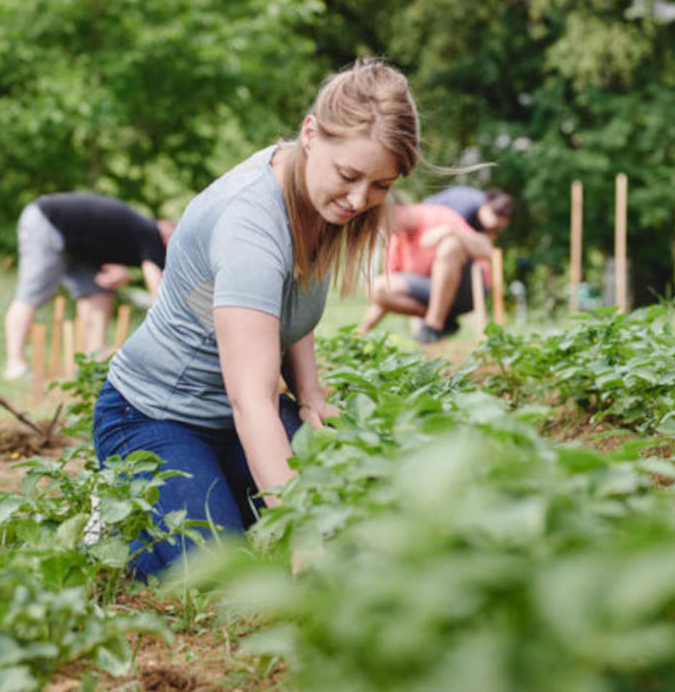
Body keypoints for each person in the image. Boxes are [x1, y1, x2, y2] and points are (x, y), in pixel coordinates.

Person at [93, 58, 420, 579]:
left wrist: (310, 393)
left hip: (233, 423)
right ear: (311, 133)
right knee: (215, 572)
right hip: (154, 415)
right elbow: (252, 399)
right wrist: (299, 530)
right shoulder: (249, 225)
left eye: (381, 186)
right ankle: (118, 514)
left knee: (359, 513)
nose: (361, 199)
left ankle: (220, 487)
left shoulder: (314, 193)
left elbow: (291, 308)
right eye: (350, 175)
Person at [2, 192, 173, 380]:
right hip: (46, 221)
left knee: (97, 292)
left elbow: (111, 256)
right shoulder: (152, 233)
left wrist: (123, 276)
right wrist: (168, 324)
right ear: (167, 234)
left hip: (78, 243)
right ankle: (15, 365)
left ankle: (94, 357)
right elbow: (157, 285)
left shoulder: (137, 232)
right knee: (31, 295)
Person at [356, 202, 493, 342]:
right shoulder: (396, 238)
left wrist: (450, 232)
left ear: (397, 210)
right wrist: (361, 332)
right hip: (431, 294)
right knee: (377, 288)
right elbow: (384, 294)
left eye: (383, 224)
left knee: (451, 245)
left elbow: (487, 250)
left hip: (466, 290)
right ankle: (444, 321)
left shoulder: (438, 215)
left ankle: (433, 326)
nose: (384, 230)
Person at [421, 185, 514, 241]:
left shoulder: (480, 219)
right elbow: (450, 230)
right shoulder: (468, 202)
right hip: (425, 221)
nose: (494, 227)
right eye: (496, 224)